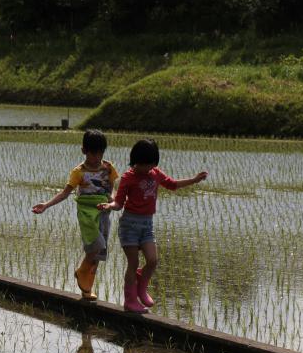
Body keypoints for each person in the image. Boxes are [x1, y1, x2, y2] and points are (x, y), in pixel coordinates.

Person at [99, 139, 207, 313]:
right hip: (129, 225)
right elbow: (119, 203)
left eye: (151, 164)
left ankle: (141, 287)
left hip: (147, 224)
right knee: (133, 263)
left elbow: (172, 185)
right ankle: (130, 300)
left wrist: (194, 180)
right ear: (135, 162)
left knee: (152, 260)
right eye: (144, 165)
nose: (148, 169)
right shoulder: (128, 177)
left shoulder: (155, 174)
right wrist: (108, 206)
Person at [32, 129, 118, 300]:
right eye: (93, 153)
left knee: (98, 254)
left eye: (100, 153)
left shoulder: (108, 168)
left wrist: (113, 200)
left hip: (103, 212)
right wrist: (46, 205)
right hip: (86, 213)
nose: (97, 157)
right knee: (97, 245)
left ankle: (87, 290)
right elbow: (65, 193)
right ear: (84, 151)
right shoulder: (78, 171)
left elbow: (113, 187)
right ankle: (80, 271)